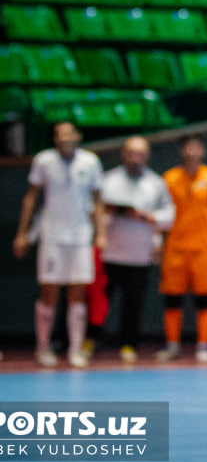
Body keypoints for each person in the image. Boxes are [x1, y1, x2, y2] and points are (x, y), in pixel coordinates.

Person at [12, 121, 107, 369]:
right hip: (52, 236)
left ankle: (75, 350)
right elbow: (31, 197)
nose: (64, 137)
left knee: (78, 294)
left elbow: (98, 201)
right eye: (58, 134)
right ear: (54, 139)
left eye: (68, 133)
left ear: (77, 135)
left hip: (80, 238)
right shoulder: (43, 161)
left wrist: (101, 234)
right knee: (49, 293)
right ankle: (43, 347)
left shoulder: (90, 162)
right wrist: (22, 234)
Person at [90, 137, 174, 363]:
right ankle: (91, 339)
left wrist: (146, 216)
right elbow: (92, 209)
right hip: (109, 252)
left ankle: (129, 344)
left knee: (133, 303)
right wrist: (110, 213)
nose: (136, 158)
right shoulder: (108, 180)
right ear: (123, 154)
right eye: (131, 153)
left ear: (147, 156)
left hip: (139, 254)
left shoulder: (156, 183)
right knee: (99, 301)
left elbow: (169, 216)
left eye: (141, 154)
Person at [158, 134, 207, 363]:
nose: (192, 152)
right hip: (175, 246)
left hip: (203, 248)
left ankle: (203, 346)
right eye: (187, 148)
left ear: (202, 150)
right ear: (182, 151)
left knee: (204, 298)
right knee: (172, 298)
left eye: (196, 147)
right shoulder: (169, 179)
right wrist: (156, 239)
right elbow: (160, 211)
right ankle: (172, 346)